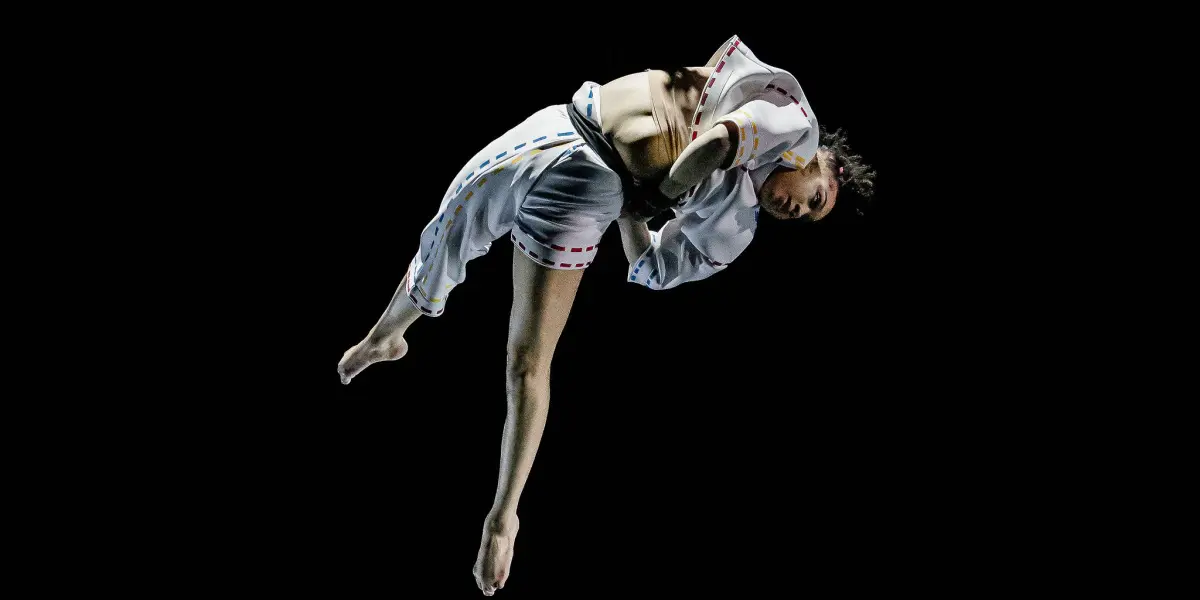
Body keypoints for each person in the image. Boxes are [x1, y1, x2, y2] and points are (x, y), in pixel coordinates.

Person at [335, 35, 874, 595]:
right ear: (816, 161)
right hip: (565, 126)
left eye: (806, 219)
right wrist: (660, 190)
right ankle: (387, 335)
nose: (797, 211)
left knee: (528, 359)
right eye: (815, 197)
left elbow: (653, 266)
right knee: (447, 231)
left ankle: (503, 518)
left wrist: (634, 206)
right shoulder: (792, 122)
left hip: (591, 191)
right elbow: (715, 143)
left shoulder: (735, 227)